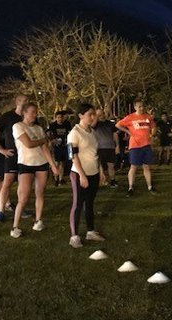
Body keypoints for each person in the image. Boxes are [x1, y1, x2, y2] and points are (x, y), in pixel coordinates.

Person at [10, 103, 59, 238]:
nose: (34, 115)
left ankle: (38, 221)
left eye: (36, 112)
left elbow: (44, 149)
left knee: (40, 193)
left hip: (41, 164)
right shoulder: (18, 127)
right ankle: (15, 226)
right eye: (32, 112)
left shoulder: (38, 128)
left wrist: (53, 165)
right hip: (25, 164)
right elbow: (29, 144)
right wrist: (44, 139)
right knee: (24, 196)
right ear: (24, 113)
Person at [68, 103, 106, 248]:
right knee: (77, 204)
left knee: (89, 203)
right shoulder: (74, 133)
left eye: (93, 114)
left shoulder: (91, 132)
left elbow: (95, 154)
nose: (93, 117)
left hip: (94, 173)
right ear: (80, 116)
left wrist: (101, 171)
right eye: (90, 114)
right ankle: (74, 236)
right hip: (79, 174)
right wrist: (82, 175)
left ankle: (90, 231)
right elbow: (73, 156)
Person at [0, 94, 28, 224]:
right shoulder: (8, 116)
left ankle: (21, 208)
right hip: (12, 154)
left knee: (23, 183)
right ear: (17, 102)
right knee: (7, 182)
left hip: (26, 155)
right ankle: (1, 211)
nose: (26, 103)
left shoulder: (30, 117)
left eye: (28, 101)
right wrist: (1, 149)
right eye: (23, 101)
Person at [115, 100, 157, 197]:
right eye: (139, 106)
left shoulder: (148, 117)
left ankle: (150, 186)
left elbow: (153, 126)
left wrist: (152, 134)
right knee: (133, 167)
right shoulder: (130, 117)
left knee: (146, 166)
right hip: (135, 146)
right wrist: (128, 132)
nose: (142, 108)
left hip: (146, 145)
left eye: (143, 106)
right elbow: (118, 125)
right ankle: (130, 188)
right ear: (135, 107)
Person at [92, 108, 119, 188]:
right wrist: (96, 117)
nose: (100, 116)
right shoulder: (96, 124)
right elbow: (92, 126)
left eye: (101, 114)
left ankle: (112, 181)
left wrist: (117, 146)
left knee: (111, 166)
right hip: (99, 148)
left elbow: (115, 134)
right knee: (100, 167)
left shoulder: (110, 123)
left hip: (110, 147)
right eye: (98, 114)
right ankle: (101, 181)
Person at [46, 111, 72, 186]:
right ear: (56, 118)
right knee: (56, 163)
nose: (60, 119)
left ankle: (60, 179)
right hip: (56, 147)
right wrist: (51, 140)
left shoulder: (67, 124)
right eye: (58, 117)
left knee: (62, 163)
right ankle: (56, 179)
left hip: (64, 145)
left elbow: (70, 132)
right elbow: (47, 133)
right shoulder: (52, 125)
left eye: (61, 117)